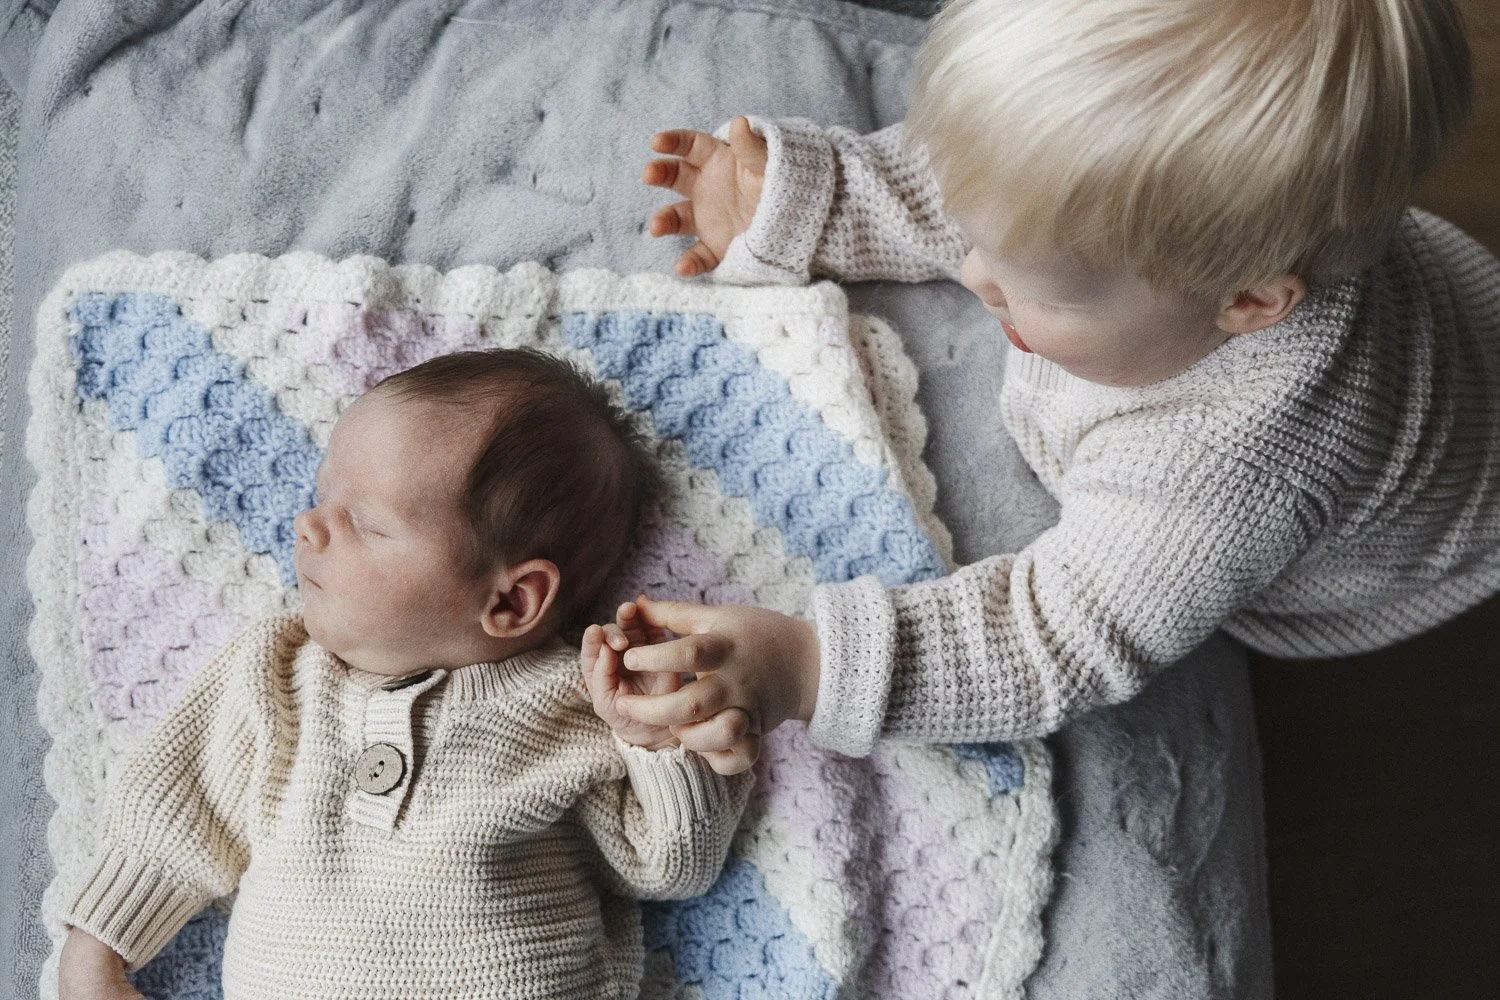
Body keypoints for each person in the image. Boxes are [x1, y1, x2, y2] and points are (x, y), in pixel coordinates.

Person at [612, 0, 1498, 772]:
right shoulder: (1176, 243)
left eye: (1037, 287)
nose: (971, 272)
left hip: (1436, 512)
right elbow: (991, 186)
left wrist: (807, 666)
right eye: (972, 229)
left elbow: (1053, 638)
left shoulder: (1230, 468)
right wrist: (820, 201)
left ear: (1248, 302)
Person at [57, 348, 752, 1000]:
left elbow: (673, 866)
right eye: (322, 495)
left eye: (363, 521)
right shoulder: (278, 674)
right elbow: (175, 814)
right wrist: (96, 950)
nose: (308, 525)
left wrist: (659, 740)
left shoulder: (574, 706)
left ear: (510, 600)